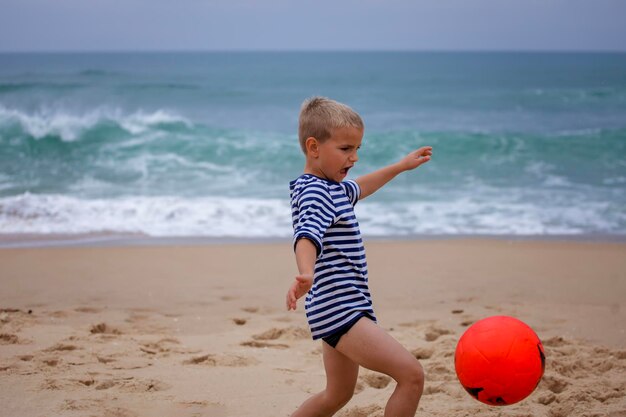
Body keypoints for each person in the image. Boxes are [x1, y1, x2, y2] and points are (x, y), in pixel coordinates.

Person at [286, 96, 433, 417]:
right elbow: (306, 235)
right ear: (314, 147)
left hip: (336, 306)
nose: (353, 158)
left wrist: (400, 166)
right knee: (411, 376)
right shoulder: (316, 192)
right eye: (345, 149)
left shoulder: (333, 187)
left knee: (336, 395)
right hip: (340, 308)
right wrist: (305, 272)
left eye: (357, 149)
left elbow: (361, 187)